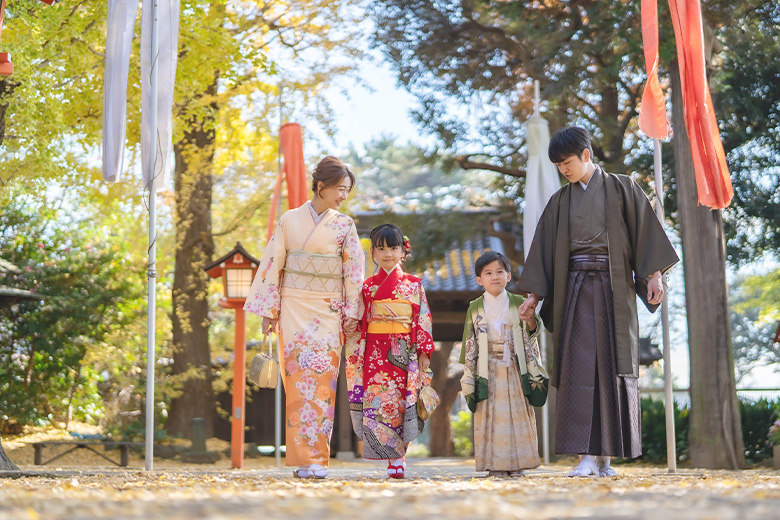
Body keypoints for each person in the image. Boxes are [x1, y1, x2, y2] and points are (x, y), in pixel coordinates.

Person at [517, 126, 679, 477]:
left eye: (567, 162)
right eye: (558, 164)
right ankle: (585, 457)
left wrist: (654, 275)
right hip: (575, 289)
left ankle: (606, 459)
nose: (563, 169)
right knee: (578, 369)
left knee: (612, 368)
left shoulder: (623, 188)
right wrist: (533, 295)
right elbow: (544, 251)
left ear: (586, 155)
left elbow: (645, 234)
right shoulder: (560, 201)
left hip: (613, 291)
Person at [244, 156, 364, 479]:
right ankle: (301, 459)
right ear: (321, 186)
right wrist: (268, 311)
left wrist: (352, 311)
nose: (343, 196)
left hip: (329, 311)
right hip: (293, 308)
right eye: (340, 189)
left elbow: (354, 271)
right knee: (297, 383)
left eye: (347, 191)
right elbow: (273, 264)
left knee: (323, 382)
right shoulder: (289, 221)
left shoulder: (345, 226)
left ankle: (317, 460)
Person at [345, 224, 434, 479]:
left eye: (393, 248)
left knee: (400, 404)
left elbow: (423, 319)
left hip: (403, 352)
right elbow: (360, 321)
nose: (387, 254)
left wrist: (424, 351)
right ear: (372, 252)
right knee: (378, 403)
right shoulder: (366, 287)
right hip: (374, 352)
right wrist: (352, 324)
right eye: (381, 248)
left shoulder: (414, 285)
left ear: (402, 250)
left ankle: (399, 456)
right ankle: (390, 457)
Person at [459, 251, 542, 477]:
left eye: (499, 272)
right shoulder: (475, 306)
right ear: (479, 280)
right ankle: (494, 465)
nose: (494, 277)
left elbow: (533, 332)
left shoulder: (519, 302)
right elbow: (469, 340)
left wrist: (531, 319)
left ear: (508, 275)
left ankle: (518, 464)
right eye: (488, 273)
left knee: (518, 414)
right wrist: (470, 373)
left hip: (515, 366)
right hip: (488, 368)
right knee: (489, 415)